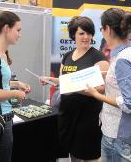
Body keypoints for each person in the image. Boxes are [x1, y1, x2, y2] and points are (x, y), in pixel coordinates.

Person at [41, 16, 109, 162]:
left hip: (88, 115)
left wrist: (74, 88)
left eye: (89, 33)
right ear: (73, 35)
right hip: (68, 112)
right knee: (73, 152)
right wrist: (52, 80)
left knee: (90, 154)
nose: (86, 37)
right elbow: (64, 81)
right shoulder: (67, 56)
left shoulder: (98, 57)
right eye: (81, 33)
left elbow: (101, 89)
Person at [85, 8, 131, 162]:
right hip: (124, 129)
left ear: (108, 29)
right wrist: (107, 75)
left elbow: (130, 103)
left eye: (101, 28)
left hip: (116, 131)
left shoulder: (123, 59)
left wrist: (97, 95)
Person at [0, 11, 30, 162]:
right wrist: (16, 93)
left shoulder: (1, 54)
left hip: (4, 119)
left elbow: (0, 82)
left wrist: (17, 84)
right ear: (7, 28)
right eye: (18, 30)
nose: (20, 35)